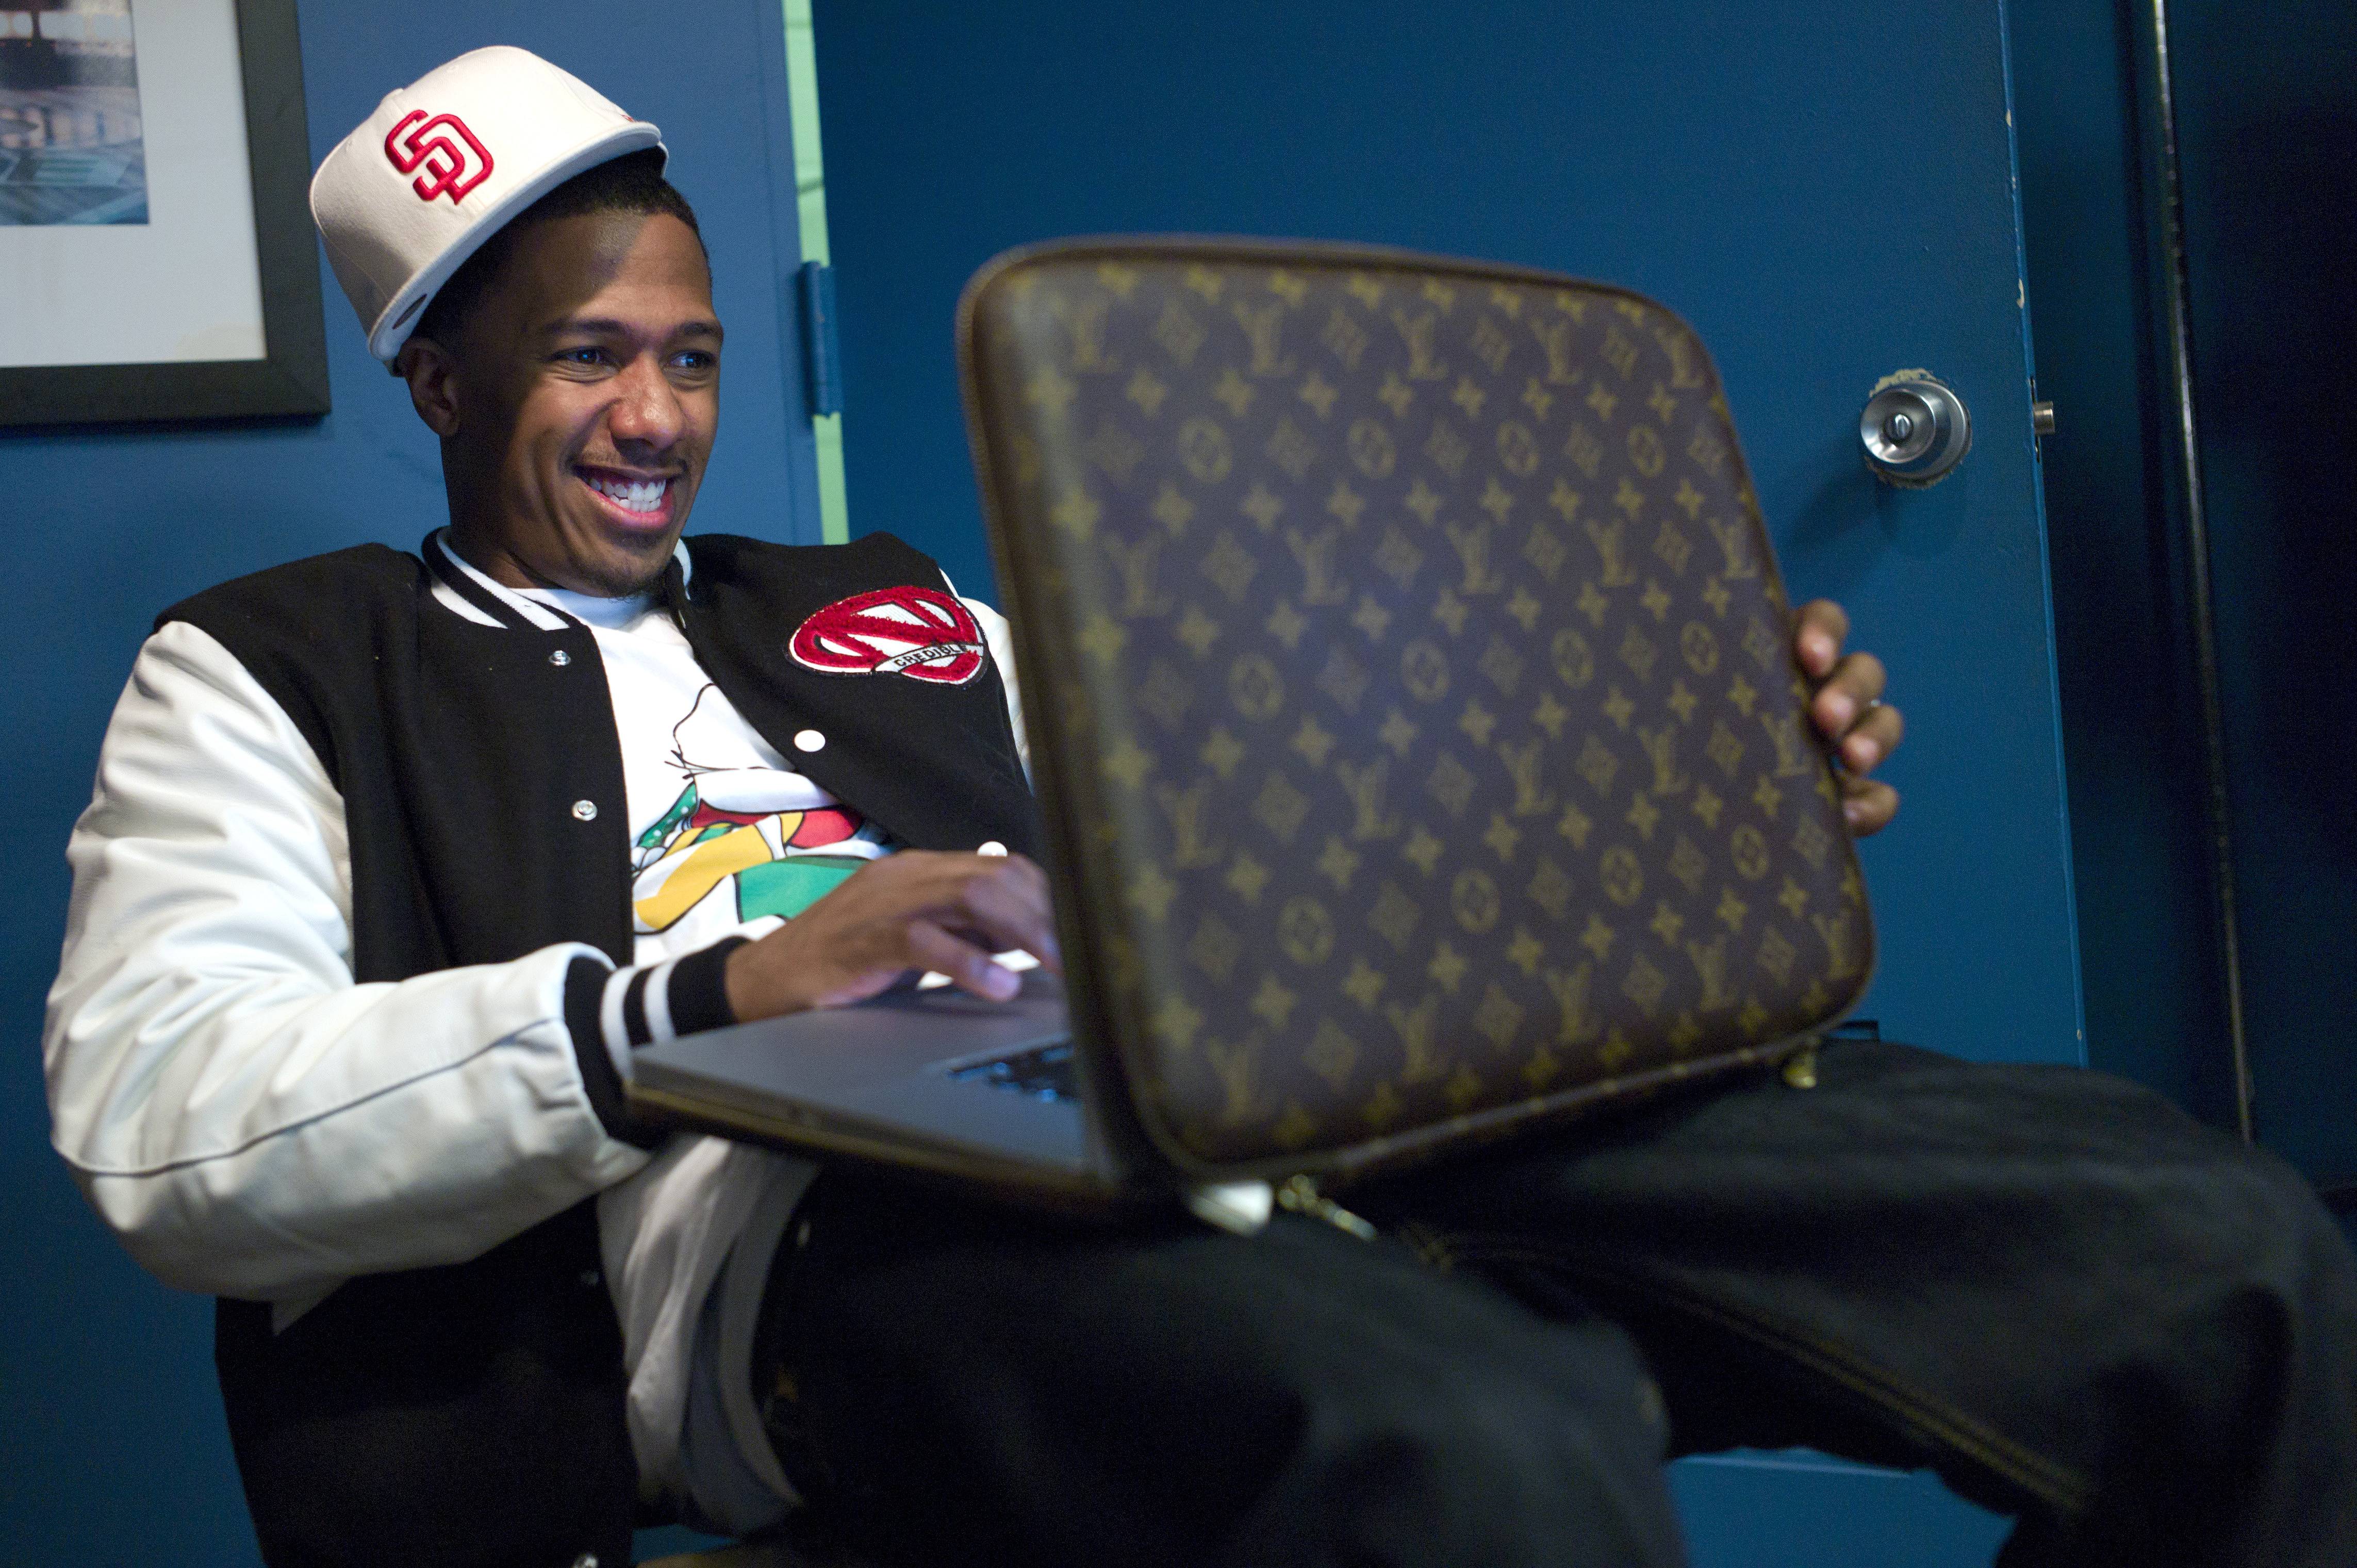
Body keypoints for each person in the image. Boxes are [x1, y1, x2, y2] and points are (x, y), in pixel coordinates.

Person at [43, 46, 2354, 1568]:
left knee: (2207, 1248)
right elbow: (163, 1118)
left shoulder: (875, 600)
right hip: (819, 1235)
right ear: (439, 377)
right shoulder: (269, 665)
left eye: (693, 355)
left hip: (1220, 1102)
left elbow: (1266, 839)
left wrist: (1692, 788)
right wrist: (719, 997)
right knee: (1468, 1434)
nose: (658, 415)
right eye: (587, 358)